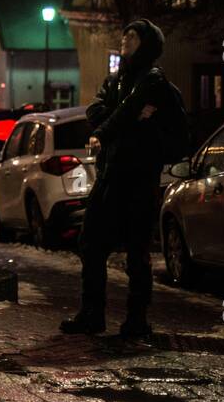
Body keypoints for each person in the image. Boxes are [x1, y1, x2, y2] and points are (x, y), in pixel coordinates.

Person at [61, 18, 187, 339]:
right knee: (90, 244)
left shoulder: (154, 80)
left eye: (133, 35)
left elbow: (128, 113)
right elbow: (97, 109)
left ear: (147, 43)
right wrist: (125, 119)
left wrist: (114, 126)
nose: (125, 38)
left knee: (136, 250)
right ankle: (92, 314)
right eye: (125, 33)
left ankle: (136, 320)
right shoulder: (116, 80)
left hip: (139, 178)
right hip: (110, 175)